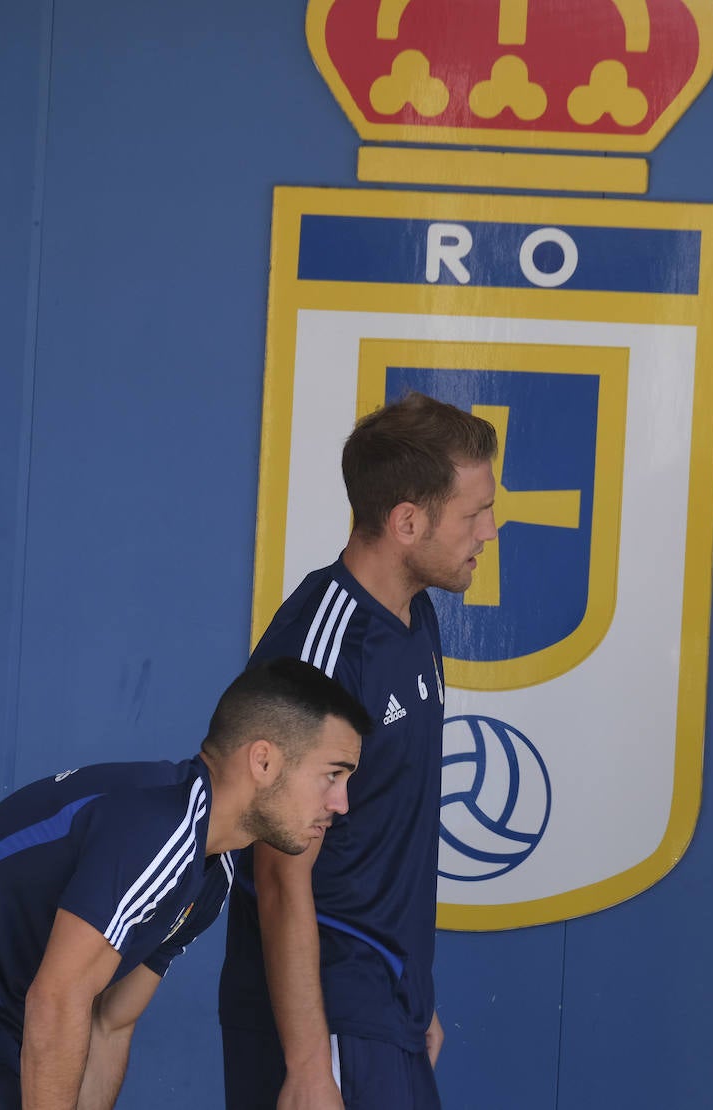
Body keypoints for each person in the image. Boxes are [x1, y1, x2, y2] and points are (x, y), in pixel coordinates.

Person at [0, 658, 370, 1109]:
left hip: (5, 1048)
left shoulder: (215, 868)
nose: (341, 804)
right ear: (263, 761)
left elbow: (110, 1022)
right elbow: (57, 1000)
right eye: (332, 775)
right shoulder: (156, 828)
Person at [219, 391, 498, 1110]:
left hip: (385, 1002)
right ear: (408, 521)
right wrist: (311, 1068)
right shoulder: (322, 648)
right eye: (473, 514)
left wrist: (415, 999)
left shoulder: (417, 616)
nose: (488, 532)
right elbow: (278, 873)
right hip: (329, 1012)